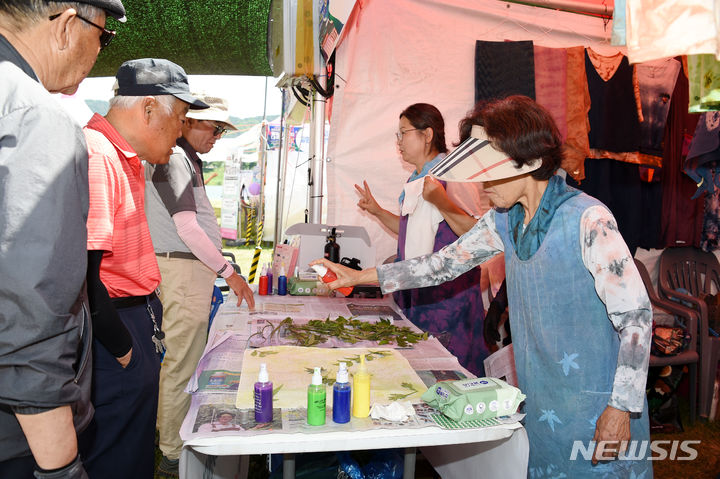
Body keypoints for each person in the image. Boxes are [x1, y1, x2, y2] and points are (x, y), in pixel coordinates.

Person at [314, 96, 653, 477]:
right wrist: (357, 277)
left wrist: (622, 406)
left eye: (489, 172)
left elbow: (636, 318)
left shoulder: (587, 219)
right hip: (542, 393)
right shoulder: (503, 220)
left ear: (531, 162)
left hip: (597, 400)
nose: (481, 185)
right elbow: (440, 265)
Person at [0, 1, 125, 478]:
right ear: (68, 25)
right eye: (104, 37)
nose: (99, 51)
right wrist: (61, 467)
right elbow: (31, 317)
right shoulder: (36, 118)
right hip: (18, 439)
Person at [77, 58, 208, 479]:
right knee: (115, 453)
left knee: (132, 447)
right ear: (148, 110)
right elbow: (84, 273)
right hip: (115, 323)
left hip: (134, 315)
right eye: (181, 120)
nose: (180, 133)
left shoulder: (127, 158)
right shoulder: (100, 156)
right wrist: (123, 349)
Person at [144, 93, 255, 476]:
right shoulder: (175, 158)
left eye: (222, 130)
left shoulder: (185, 159)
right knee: (180, 363)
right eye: (213, 127)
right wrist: (229, 272)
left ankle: (169, 439)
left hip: (188, 271)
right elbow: (187, 228)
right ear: (187, 122)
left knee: (181, 360)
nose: (217, 136)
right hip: (181, 271)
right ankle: (172, 452)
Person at [354, 103, 488, 375]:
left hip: (448, 298)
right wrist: (378, 211)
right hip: (419, 292)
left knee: (450, 375)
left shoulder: (452, 175)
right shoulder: (417, 179)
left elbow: (477, 235)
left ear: (427, 135)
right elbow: (407, 231)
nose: (399, 142)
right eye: (398, 135)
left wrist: (441, 200)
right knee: (421, 372)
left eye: (404, 133)